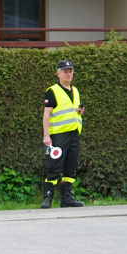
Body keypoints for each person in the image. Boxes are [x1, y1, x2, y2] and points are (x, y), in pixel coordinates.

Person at [41, 59, 84, 209]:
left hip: (73, 134)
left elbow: (71, 110)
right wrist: (46, 136)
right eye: (65, 71)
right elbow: (46, 115)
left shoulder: (76, 90)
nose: (68, 73)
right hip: (58, 135)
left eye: (70, 71)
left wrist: (79, 112)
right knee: (54, 167)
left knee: (71, 167)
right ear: (58, 74)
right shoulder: (52, 91)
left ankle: (67, 199)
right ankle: (47, 199)